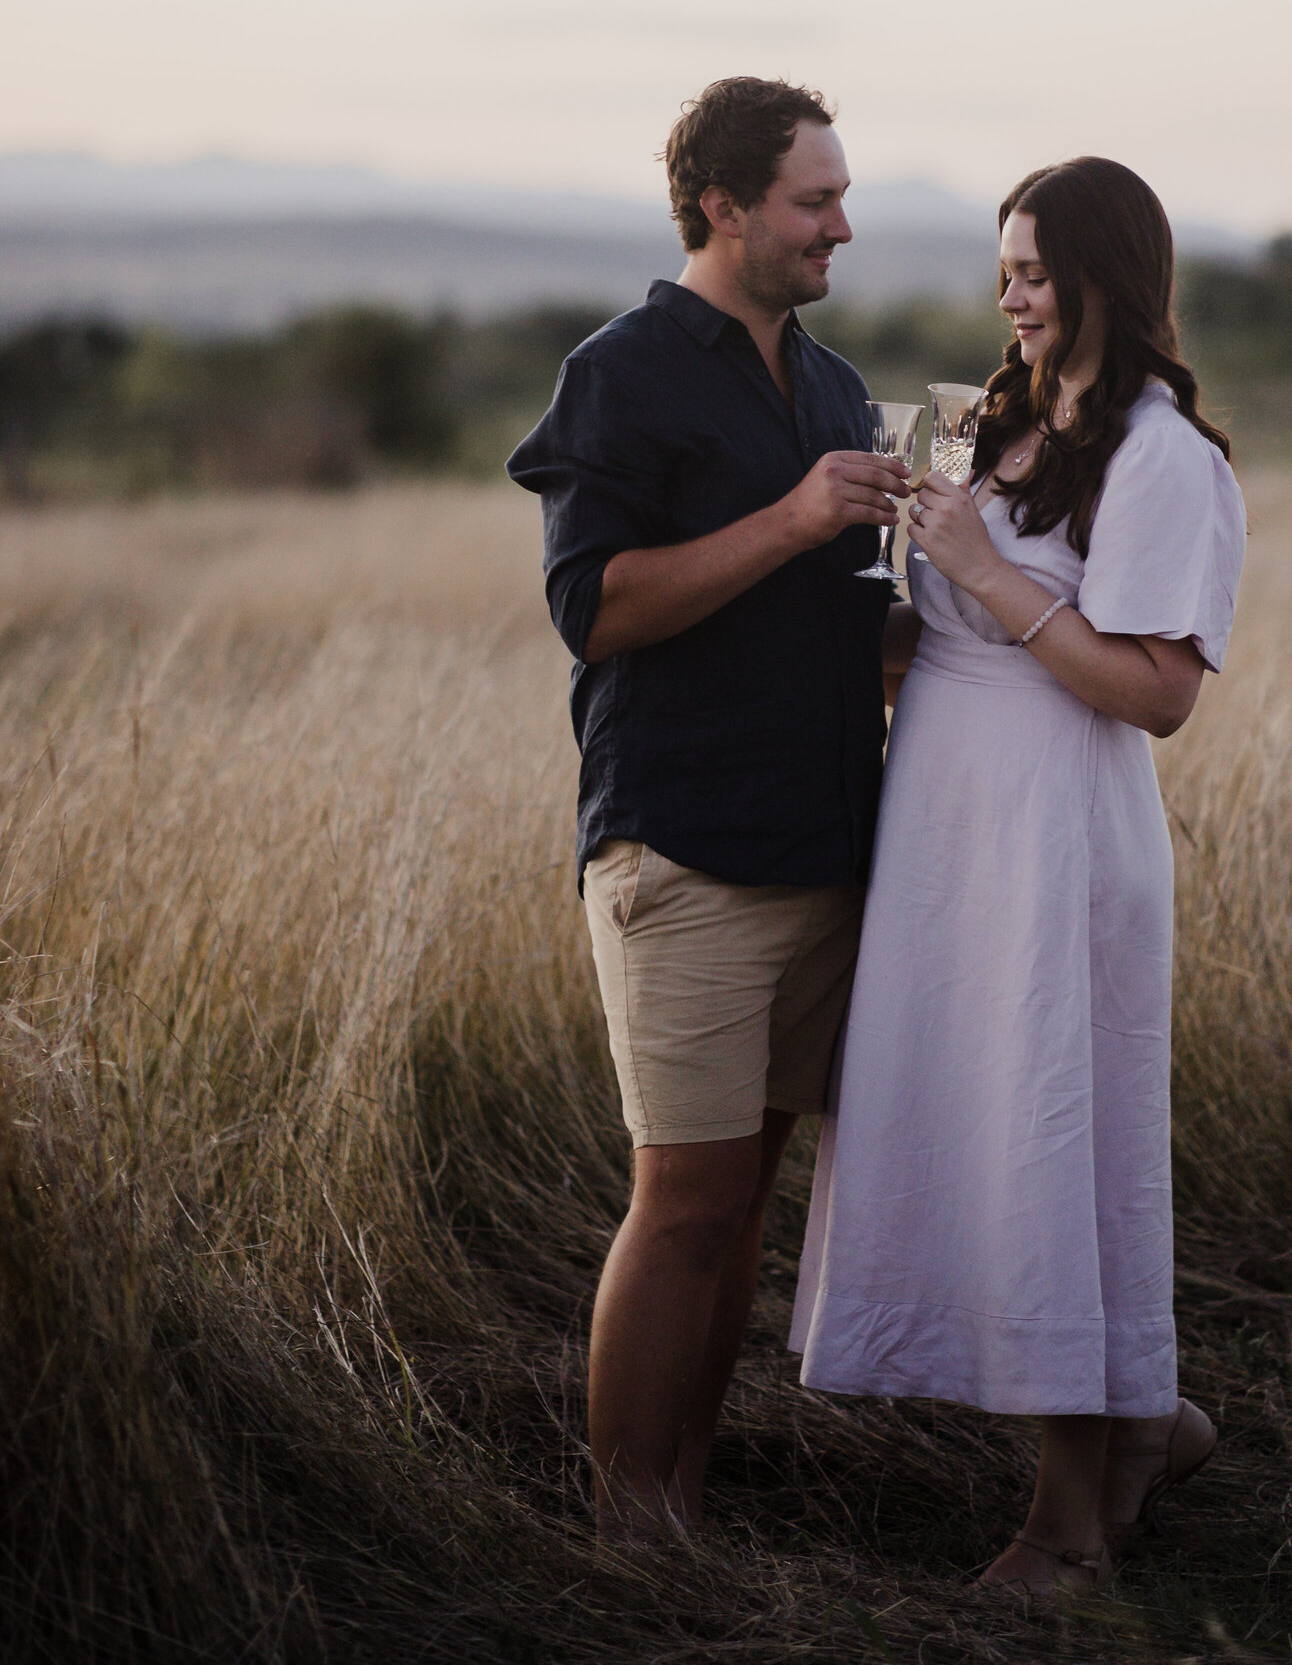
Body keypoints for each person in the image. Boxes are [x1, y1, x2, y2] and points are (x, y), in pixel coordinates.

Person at [792, 155, 1247, 1601]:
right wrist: (897, 586)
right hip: (948, 839)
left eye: (1036, 268)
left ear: (1108, 276)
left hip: (1058, 837)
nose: (1010, 290)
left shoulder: (1169, 458)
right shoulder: (1003, 421)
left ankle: (1070, 1519)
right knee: (983, 1129)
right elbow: (940, 642)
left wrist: (985, 573)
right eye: (1006, 265)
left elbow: (1157, 691)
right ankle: (1141, 1423)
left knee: (1057, 1142)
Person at [507, 77, 907, 1541]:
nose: (841, 226)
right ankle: (630, 1535)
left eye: (843, 196)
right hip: (683, 849)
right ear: (724, 206)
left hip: (828, 846)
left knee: (742, 1205)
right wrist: (800, 515)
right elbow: (594, 609)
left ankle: (685, 1496)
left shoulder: (838, 384)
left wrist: (950, 616)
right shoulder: (617, 374)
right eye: (815, 200)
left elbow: (847, 627)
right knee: (678, 1204)